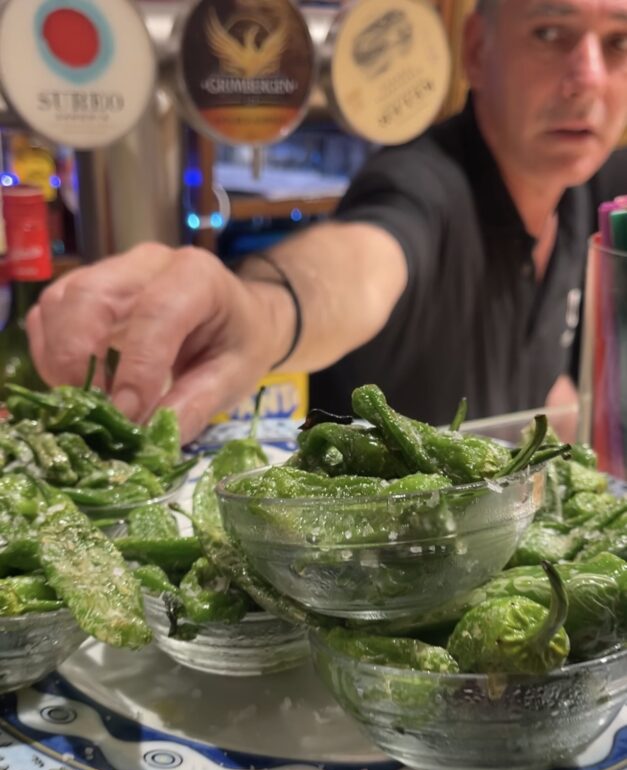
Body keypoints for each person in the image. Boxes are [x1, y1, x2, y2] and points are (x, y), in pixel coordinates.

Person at [26, 0, 627, 443]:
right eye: (550, 33)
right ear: (475, 50)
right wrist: (262, 311)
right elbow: (361, 259)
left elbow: (543, 375)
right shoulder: (424, 181)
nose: (589, 80)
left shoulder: (586, 186)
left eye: (618, 44)